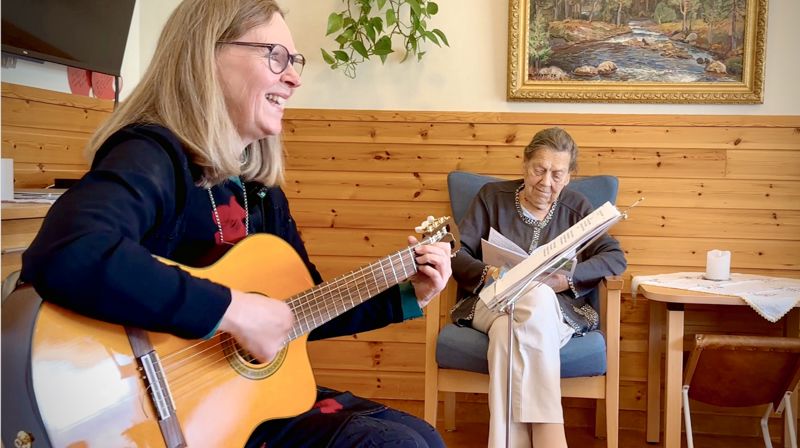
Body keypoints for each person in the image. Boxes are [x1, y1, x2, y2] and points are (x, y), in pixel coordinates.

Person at [20, 1, 451, 447]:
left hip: (232, 405)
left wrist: (406, 293)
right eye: (275, 56)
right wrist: (233, 310)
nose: (294, 77)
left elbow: (297, 314)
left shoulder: (260, 191)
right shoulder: (154, 155)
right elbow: (71, 249)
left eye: (294, 61)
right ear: (207, 54)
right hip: (144, 418)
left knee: (421, 436)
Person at [450, 127, 626, 448]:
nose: (546, 183)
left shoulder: (577, 208)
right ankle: (550, 437)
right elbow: (457, 252)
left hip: (554, 314)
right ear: (524, 165)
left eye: (557, 174)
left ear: (569, 176)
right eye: (539, 170)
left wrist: (566, 280)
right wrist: (487, 271)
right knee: (533, 295)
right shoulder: (492, 198)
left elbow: (614, 257)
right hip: (492, 302)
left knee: (510, 331)